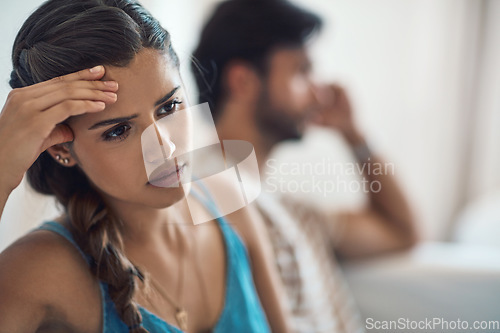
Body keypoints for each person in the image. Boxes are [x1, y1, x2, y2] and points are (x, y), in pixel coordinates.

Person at [0, 1, 290, 332]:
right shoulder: (38, 274)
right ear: (61, 149)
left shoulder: (229, 200)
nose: (164, 147)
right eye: (118, 130)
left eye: (169, 107)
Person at [192, 0, 419, 332]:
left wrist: (355, 135)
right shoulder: (205, 197)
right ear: (242, 81)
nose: (318, 92)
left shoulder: (291, 208)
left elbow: (401, 232)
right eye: (301, 71)